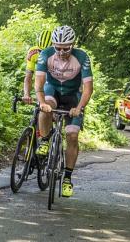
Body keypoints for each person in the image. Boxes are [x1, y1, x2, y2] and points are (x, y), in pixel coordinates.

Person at [34, 25, 94, 198]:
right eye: (57, 48)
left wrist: (79, 108)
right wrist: (42, 102)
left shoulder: (82, 57)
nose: (61, 52)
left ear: (73, 44)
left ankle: (67, 178)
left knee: (72, 136)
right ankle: (45, 141)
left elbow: (88, 88)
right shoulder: (45, 54)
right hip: (52, 91)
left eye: (66, 48)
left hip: (73, 96)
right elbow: (39, 83)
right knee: (45, 109)